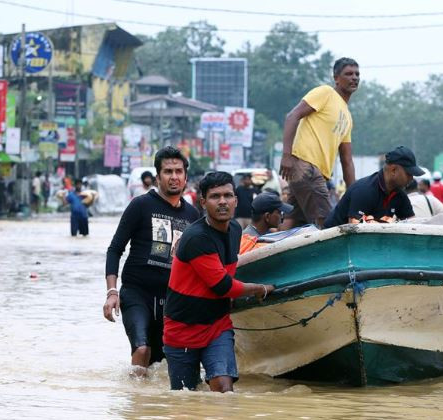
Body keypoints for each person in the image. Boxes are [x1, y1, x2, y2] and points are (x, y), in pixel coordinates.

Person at [163, 171, 274, 392]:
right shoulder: (197, 238)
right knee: (185, 399)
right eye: (215, 196)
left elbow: (230, 272)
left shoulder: (235, 230)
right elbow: (223, 286)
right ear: (203, 202)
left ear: (236, 200)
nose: (222, 202)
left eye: (227, 195)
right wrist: (260, 288)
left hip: (217, 325)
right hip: (182, 329)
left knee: (224, 392)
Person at [103, 146, 201, 376]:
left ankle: (154, 408)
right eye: (168, 171)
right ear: (158, 177)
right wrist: (111, 292)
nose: (174, 176)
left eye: (178, 171)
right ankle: (135, 402)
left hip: (172, 299)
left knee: (163, 363)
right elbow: (115, 249)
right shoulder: (140, 205)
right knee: (142, 347)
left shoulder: (192, 216)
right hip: (137, 293)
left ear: (186, 177)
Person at [280, 57, 359, 228]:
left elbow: (347, 160)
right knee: (327, 223)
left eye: (357, 74)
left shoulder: (347, 116)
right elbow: (292, 116)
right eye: (349, 74)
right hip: (306, 166)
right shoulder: (326, 93)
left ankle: (269, 252)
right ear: (336, 78)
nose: (354, 77)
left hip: (317, 174)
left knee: (292, 221)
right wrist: (286, 155)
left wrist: (354, 194)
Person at [324, 146, 422, 228]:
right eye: (409, 174)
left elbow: (412, 226)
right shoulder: (364, 191)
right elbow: (354, 231)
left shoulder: (399, 195)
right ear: (393, 170)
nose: (412, 179)